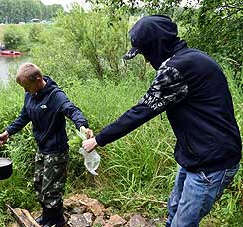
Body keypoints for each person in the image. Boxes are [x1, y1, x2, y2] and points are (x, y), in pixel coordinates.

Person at [82, 15, 241, 227]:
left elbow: (141, 111)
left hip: (211, 163)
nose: (146, 60)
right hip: (194, 155)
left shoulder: (177, 69)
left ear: (156, 46)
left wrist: (99, 139)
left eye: (145, 52)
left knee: (182, 223)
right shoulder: (192, 58)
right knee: (173, 210)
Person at [0, 63, 93, 227]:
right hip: (42, 148)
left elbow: (71, 109)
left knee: (51, 190)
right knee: (39, 185)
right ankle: (48, 216)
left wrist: (82, 125)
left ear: (38, 79)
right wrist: (7, 132)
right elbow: (23, 116)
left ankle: (57, 220)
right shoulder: (31, 95)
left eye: (26, 86)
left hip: (56, 150)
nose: (25, 91)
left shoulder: (55, 96)